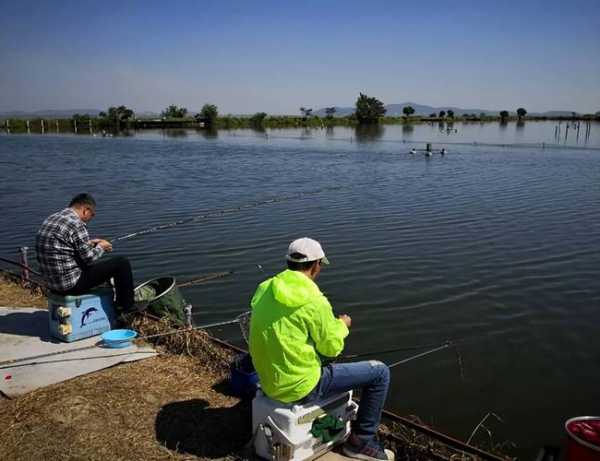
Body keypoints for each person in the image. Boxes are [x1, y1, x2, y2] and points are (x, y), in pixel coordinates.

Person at [249, 237, 394, 461]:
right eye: (320, 265)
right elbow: (332, 348)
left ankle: (328, 425)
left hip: (268, 382)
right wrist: (342, 326)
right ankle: (361, 441)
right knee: (380, 373)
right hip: (300, 387)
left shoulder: (264, 288)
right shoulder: (314, 300)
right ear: (316, 265)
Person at [36, 193, 137, 313]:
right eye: (92, 214)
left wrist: (90, 243)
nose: (92, 217)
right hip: (69, 285)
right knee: (121, 263)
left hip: (51, 284)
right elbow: (89, 258)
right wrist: (101, 247)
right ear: (85, 210)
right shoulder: (76, 224)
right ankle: (126, 307)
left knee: (100, 265)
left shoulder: (52, 218)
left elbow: (63, 246)